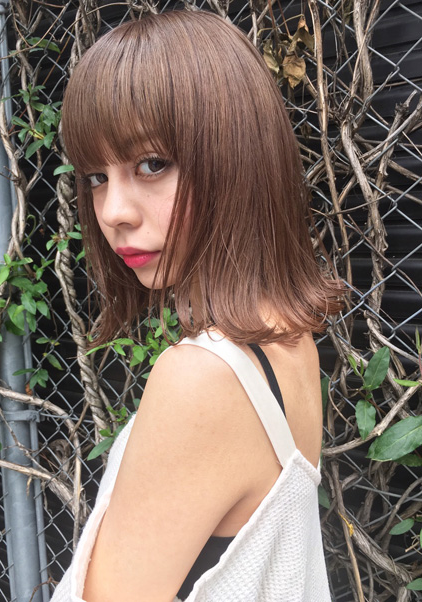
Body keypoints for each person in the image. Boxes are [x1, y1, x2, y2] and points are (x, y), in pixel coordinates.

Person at [51, 9, 343, 602]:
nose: (113, 212)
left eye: (152, 164)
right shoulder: (284, 336)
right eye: (96, 176)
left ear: (237, 158)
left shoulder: (204, 375)